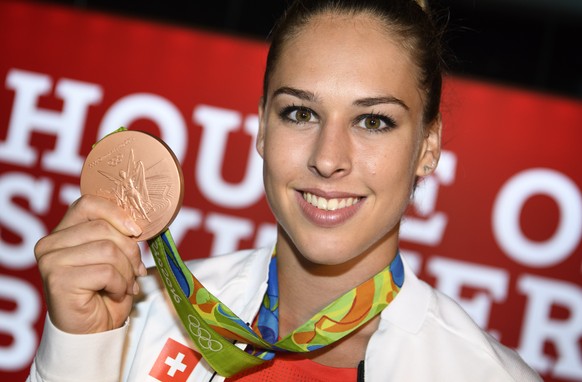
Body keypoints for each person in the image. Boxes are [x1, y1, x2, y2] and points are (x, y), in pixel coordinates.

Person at [28, 0, 542, 381]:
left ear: (428, 147)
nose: (327, 158)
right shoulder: (142, 313)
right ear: (261, 128)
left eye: (373, 121)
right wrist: (77, 349)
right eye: (300, 113)